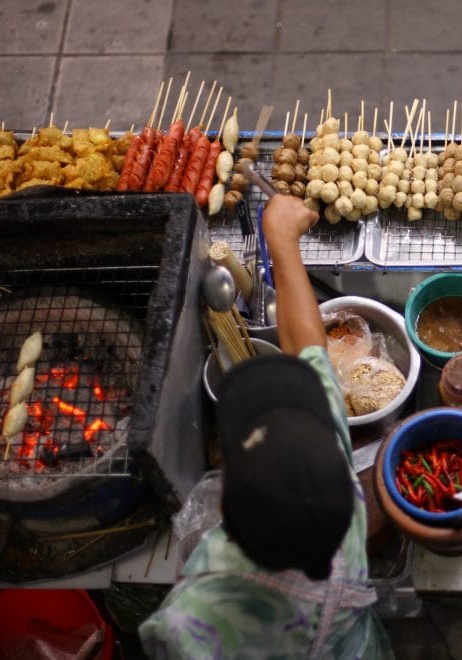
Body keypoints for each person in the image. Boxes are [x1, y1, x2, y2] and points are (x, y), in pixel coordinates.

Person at [139, 194, 393, 658]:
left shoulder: (187, 624)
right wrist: (282, 240)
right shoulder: (342, 511)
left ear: (225, 511)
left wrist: (279, 235)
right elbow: (308, 346)